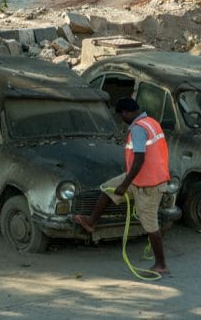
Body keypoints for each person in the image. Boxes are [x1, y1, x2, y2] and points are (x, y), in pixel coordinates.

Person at [73, 97, 171, 274]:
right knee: (107, 189)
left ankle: (161, 264)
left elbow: (139, 158)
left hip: (148, 183)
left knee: (150, 224)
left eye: (121, 116)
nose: (122, 120)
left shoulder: (139, 129)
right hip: (142, 178)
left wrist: (125, 185)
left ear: (126, 113)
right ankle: (91, 222)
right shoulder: (151, 122)